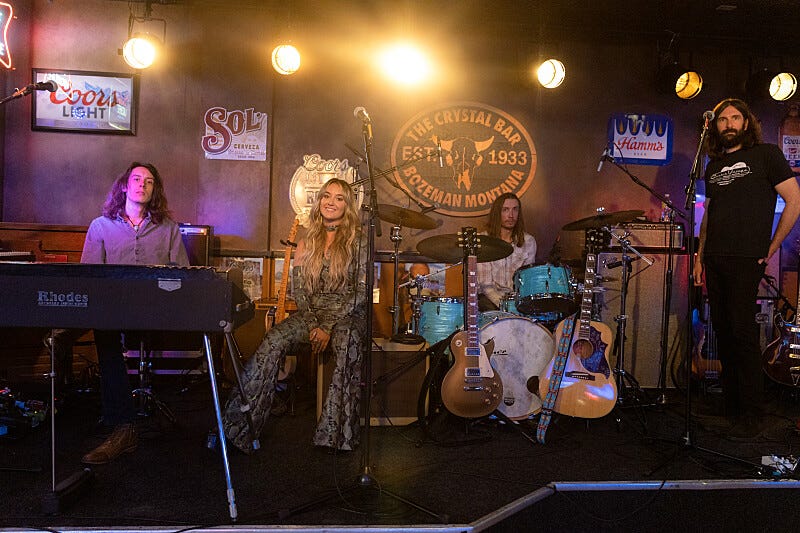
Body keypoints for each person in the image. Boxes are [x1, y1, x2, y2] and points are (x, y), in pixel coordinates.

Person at [222, 178, 367, 452]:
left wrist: (327, 326)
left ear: (348, 206)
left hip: (346, 314)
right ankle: (238, 427)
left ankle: (335, 436)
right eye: (326, 196)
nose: (331, 202)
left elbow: (359, 292)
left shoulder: (359, 242)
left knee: (347, 340)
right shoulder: (306, 241)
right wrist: (314, 324)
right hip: (312, 313)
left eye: (339, 198)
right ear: (319, 201)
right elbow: (299, 291)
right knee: (273, 340)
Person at [693, 98, 800, 439]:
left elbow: (794, 200)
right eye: (722, 119)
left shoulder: (766, 155)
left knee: (741, 332)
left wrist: (771, 246)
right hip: (715, 258)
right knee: (722, 332)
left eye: (735, 117)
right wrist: (699, 256)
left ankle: (753, 415)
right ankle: (732, 407)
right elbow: (708, 214)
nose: (728, 124)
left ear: (746, 123)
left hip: (746, 257)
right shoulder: (713, 165)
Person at [80, 162, 189, 464]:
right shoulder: (100, 226)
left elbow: (181, 277)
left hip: (155, 310)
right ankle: (123, 424)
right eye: (137, 179)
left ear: (154, 190)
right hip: (114, 309)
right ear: (125, 186)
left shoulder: (169, 229)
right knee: (104, 331)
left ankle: (122, 422)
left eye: (150, 181)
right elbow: (90, 278)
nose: (143, 184)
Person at [477, 193, 537, 312]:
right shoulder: (483, 241)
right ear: (497, 213)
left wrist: (517, 305)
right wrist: (506, 307)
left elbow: (526, 282)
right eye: (505, 210)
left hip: (517, 300)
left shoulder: (529, 241)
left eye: (515, 210)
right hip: (489, 299)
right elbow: (486, 286)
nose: (511, 215)